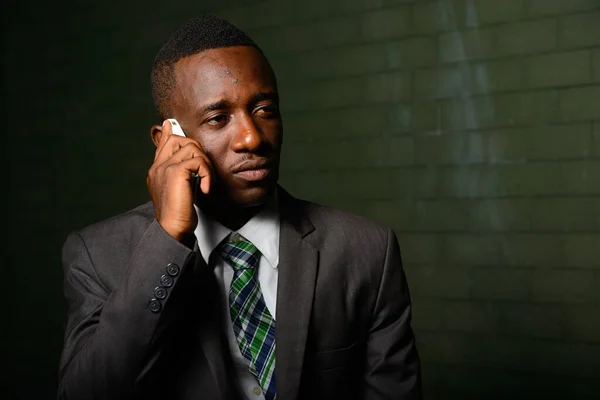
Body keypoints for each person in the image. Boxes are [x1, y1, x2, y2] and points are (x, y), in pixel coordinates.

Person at [58, 15, 422, 400]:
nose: (251, 137)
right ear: (168, 139)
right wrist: (167, 237)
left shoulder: (366, 251)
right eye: (218, 118)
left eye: (265, 109)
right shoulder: (97, 254)